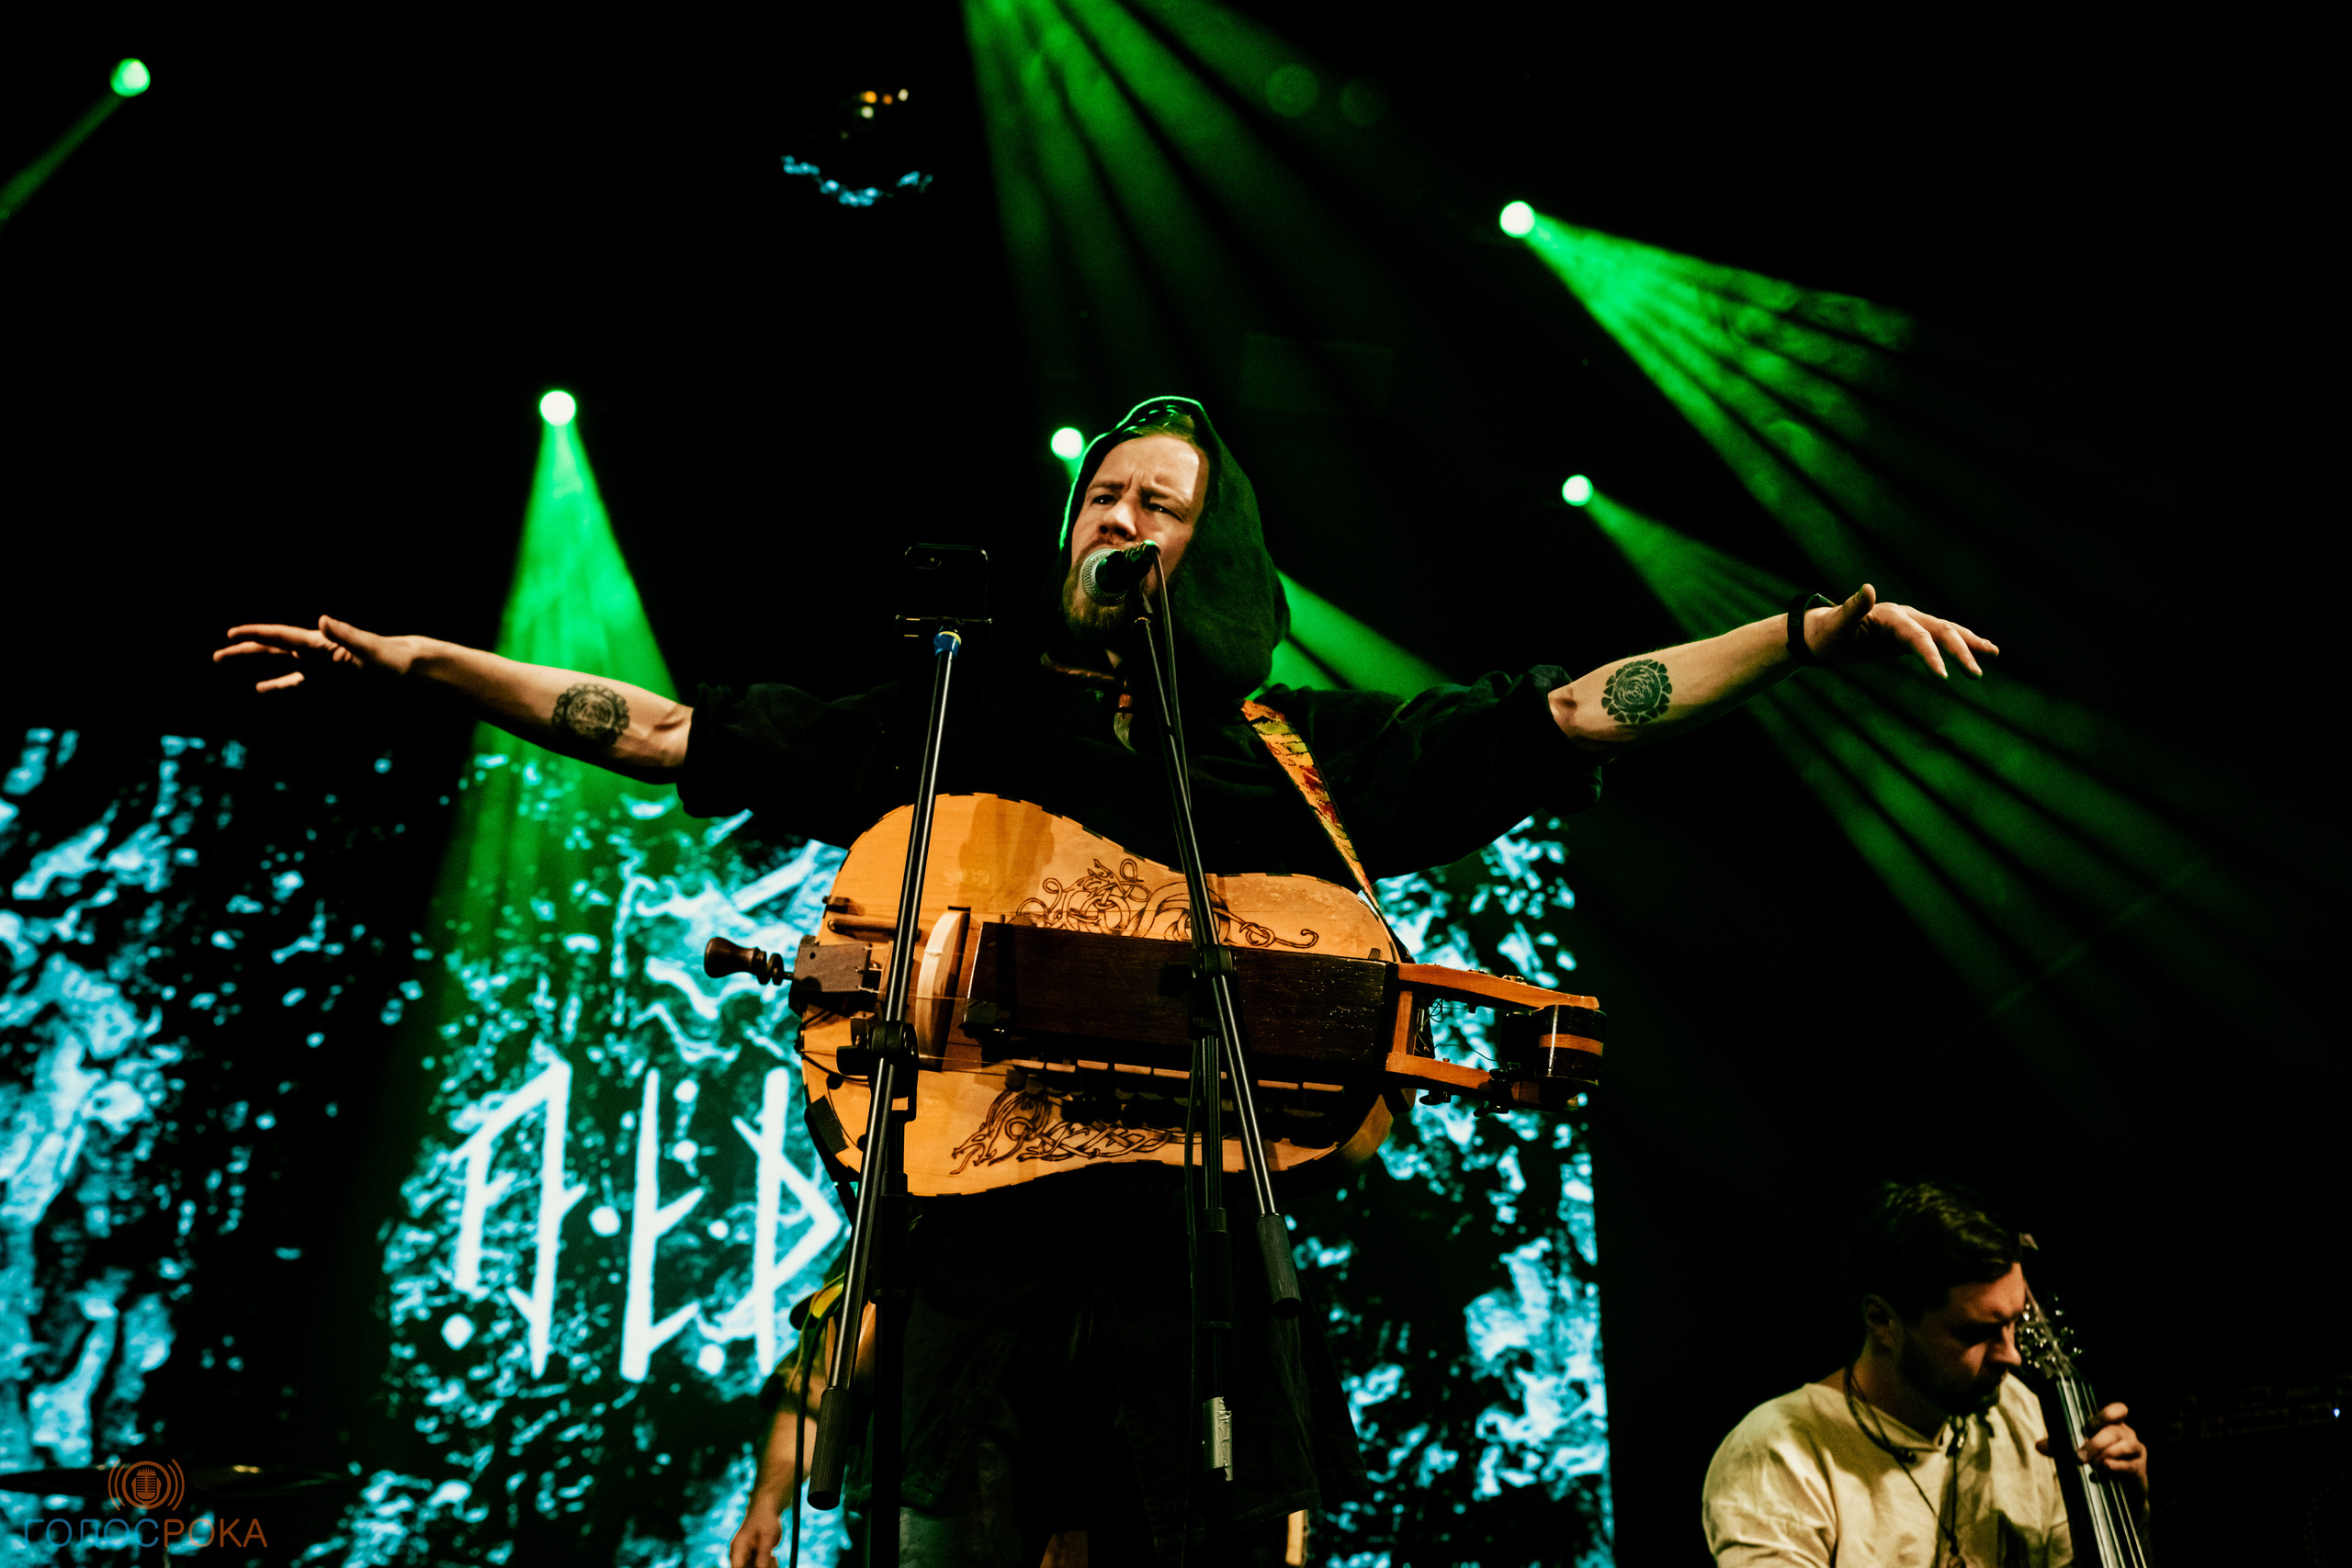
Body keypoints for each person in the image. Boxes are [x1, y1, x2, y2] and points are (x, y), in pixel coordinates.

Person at [217, 398, 1997, 1567]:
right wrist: (419, 661)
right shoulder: (960, 713)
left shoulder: (1297, 754)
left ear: (1208, 550)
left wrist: (1802, 632)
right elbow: (678, 729)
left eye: (1155, 503)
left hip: (1201, 1290)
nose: (1114, 518)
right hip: (971, 1284)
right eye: (1099, 495)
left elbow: (1557, 712)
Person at [1701, 1179, 2149, 1566]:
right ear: (1882, 1321)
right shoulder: (1778, 1455)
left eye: (2014, 1323)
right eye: (1977, 1333)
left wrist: (2125, 1512)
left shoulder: (2019, 1411)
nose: (2011, 1356)